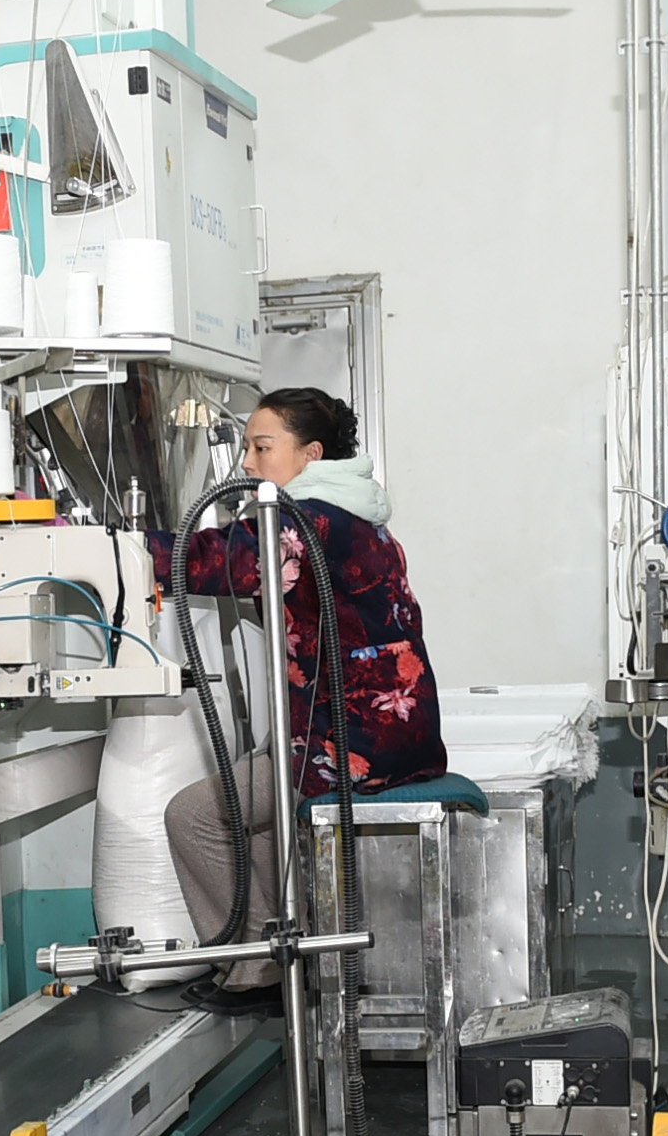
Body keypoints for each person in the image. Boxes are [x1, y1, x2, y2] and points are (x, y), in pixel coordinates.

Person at [150, 387, 446, 992]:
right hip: (392, 736)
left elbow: (216, 561)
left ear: (310, 454)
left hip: (351, 747)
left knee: (194, 816)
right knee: (254, 812)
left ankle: (257, 968)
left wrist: (113, 547)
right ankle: (273, 956)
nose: (247, 463)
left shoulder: (308, 520)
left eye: (262, 448)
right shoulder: (355, 511)